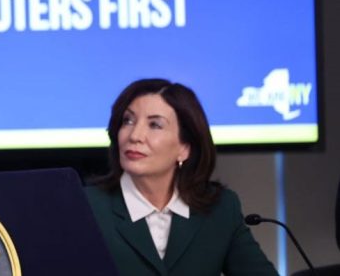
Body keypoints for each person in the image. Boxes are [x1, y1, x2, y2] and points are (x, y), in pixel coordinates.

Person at [84, 79, 276, 276]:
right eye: (128, 121)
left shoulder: (220, 208)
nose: (135, 135)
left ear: (185, 148)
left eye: (155, 125)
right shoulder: (85, 207)